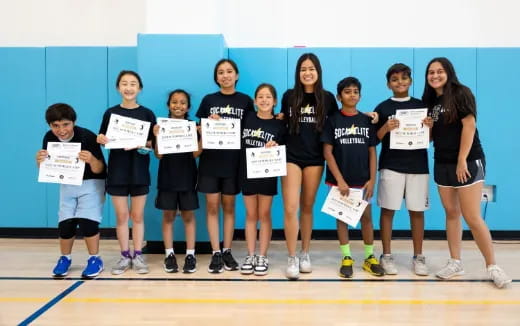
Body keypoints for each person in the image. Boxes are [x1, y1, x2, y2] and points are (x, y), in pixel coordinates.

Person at [422, 57, 511, 288]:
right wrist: (428, 128)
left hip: (468, 160)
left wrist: (462, 160)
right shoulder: (431, 101)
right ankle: (455, 262)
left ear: (448, 72)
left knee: (472, 216)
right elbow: (433, 138)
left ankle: (493, 266)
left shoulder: (461, 93)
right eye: (431, 72)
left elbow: (469, 126)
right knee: (452, 213)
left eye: (439, 71)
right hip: (442, 162)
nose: (435, 76)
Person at [280, 53, 339, 280]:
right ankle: (292, 256)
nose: (307, 72)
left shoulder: (327, 98)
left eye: (311, 68)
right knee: (290, 207)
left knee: (307, 206)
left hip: (315, 158)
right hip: (291, 156)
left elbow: (340, 120)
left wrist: (365, 116)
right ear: (298, 72)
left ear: (318, 71)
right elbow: (280, 121)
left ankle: (305, 252)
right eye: (303, 69)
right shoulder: (289, 96)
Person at [321, 77, 385, 278]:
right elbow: (327, 153)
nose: (352, 95)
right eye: (347, 92)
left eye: (355, 91)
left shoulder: (366, 121)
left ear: (360, 95)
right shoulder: (332, 120)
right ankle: (346, 257)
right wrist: (339, 180)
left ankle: (369, 257)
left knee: (367, 218)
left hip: (363, 180)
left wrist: (372, 179)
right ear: (339, 97)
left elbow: (372, 152)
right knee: (342, 218)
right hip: (340, 181)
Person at [196, 59, 255, 273]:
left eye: (229, 71)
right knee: (212, 207)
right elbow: (199, 129)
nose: (225, 75)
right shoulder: (208, 100)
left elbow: (253, 127)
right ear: (216, 77)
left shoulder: (246, 101)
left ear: (237, 75)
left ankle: (227, 249)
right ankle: (215, 252)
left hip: (234, 162)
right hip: (211, 161)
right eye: (221, 72)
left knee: (229, 206)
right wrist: (206, 125)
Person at [36, 103, 106, 278]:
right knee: (66, 223)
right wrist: (40, 161)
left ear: (73, 122)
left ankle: (95, 259)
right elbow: (48, 167)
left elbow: (101, 169)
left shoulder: (87, 137)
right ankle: (65, 258)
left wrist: (91, 159)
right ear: (50, 126)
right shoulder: (48, 138)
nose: (61, 130)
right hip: (67, 183)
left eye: (65, 124)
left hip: (91, 182)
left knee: (88, 222)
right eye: (55, 126)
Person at [374, 63, 432, 276]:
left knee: (417, 211)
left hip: (418, 165)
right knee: (388, 210)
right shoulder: (383, 107)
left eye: (404, 78)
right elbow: (374, 139)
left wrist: (430, 127)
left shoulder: (421, 106)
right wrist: (385, 127)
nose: (400, 82)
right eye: (395, 79)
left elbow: (429, 139)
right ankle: (386, 255)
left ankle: (418, 256)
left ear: (411, 80)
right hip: (391, 165)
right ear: (389, 84)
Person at [97, 70, 156, 275]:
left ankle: (138, 254)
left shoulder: (147, 113)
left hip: (139, 170)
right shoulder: (110, 113)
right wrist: (101, 138)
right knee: (122, 216)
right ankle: (124, 256)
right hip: (117, 171)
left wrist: (145, 143)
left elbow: (152, 144)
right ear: (118, 87)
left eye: (133, 84)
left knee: (137, 215)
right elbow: (103, 137)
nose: (128, 87)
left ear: (139, 88)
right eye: (124, 83)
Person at [239, 83, 286, 276]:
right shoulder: (247, 118)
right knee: (251, 214)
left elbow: (284, 150)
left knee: (264, 214)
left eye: (268, 97)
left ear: (274, 101)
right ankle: (250, 254)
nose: (264, 100)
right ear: (255, 101)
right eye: (260, 96)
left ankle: (262, 255)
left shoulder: (279, 124)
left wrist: (274, 145)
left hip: (267, 174)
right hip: (247, 172)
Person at [153, 89, 201, 273]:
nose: (178, 105)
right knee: (168, 216)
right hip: (167, 177)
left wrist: (203, 135)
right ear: (168, 105)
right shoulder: (161, 126)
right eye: (174, 102)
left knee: (188, 216)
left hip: (188, 177)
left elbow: (196, 153)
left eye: (182, 102)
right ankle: (169, 254)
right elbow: (159, 154)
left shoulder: (192, 125)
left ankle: (190, 254)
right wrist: (157, 136)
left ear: (188, 107)